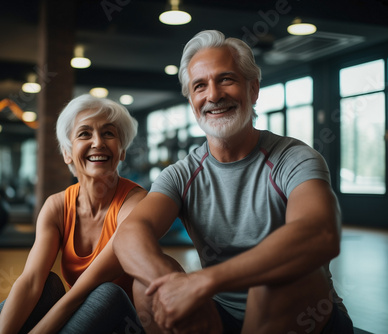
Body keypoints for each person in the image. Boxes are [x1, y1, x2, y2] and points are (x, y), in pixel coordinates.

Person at [113, 30, 354, 334]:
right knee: (147, 287)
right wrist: (171, 283)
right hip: (222, 316)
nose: (213, 95)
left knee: (269, 283)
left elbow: (320, 232)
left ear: (253, 89)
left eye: (226, 79)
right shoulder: (181, 174)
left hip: (308, 317)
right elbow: (130, 234)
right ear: (192, 102)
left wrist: (205, 280)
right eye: (200, 86)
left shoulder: (293, 158)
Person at [0, 94, 147, 333]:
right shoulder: (57, 206)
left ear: (121, 151)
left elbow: (87, 287)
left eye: (109, 133)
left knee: (106, 292)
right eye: (84, 133)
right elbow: (30, 282)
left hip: (125, 322)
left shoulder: (135, 203)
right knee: (48, 285)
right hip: (84, 316)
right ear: (67, 153)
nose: (98, 142)